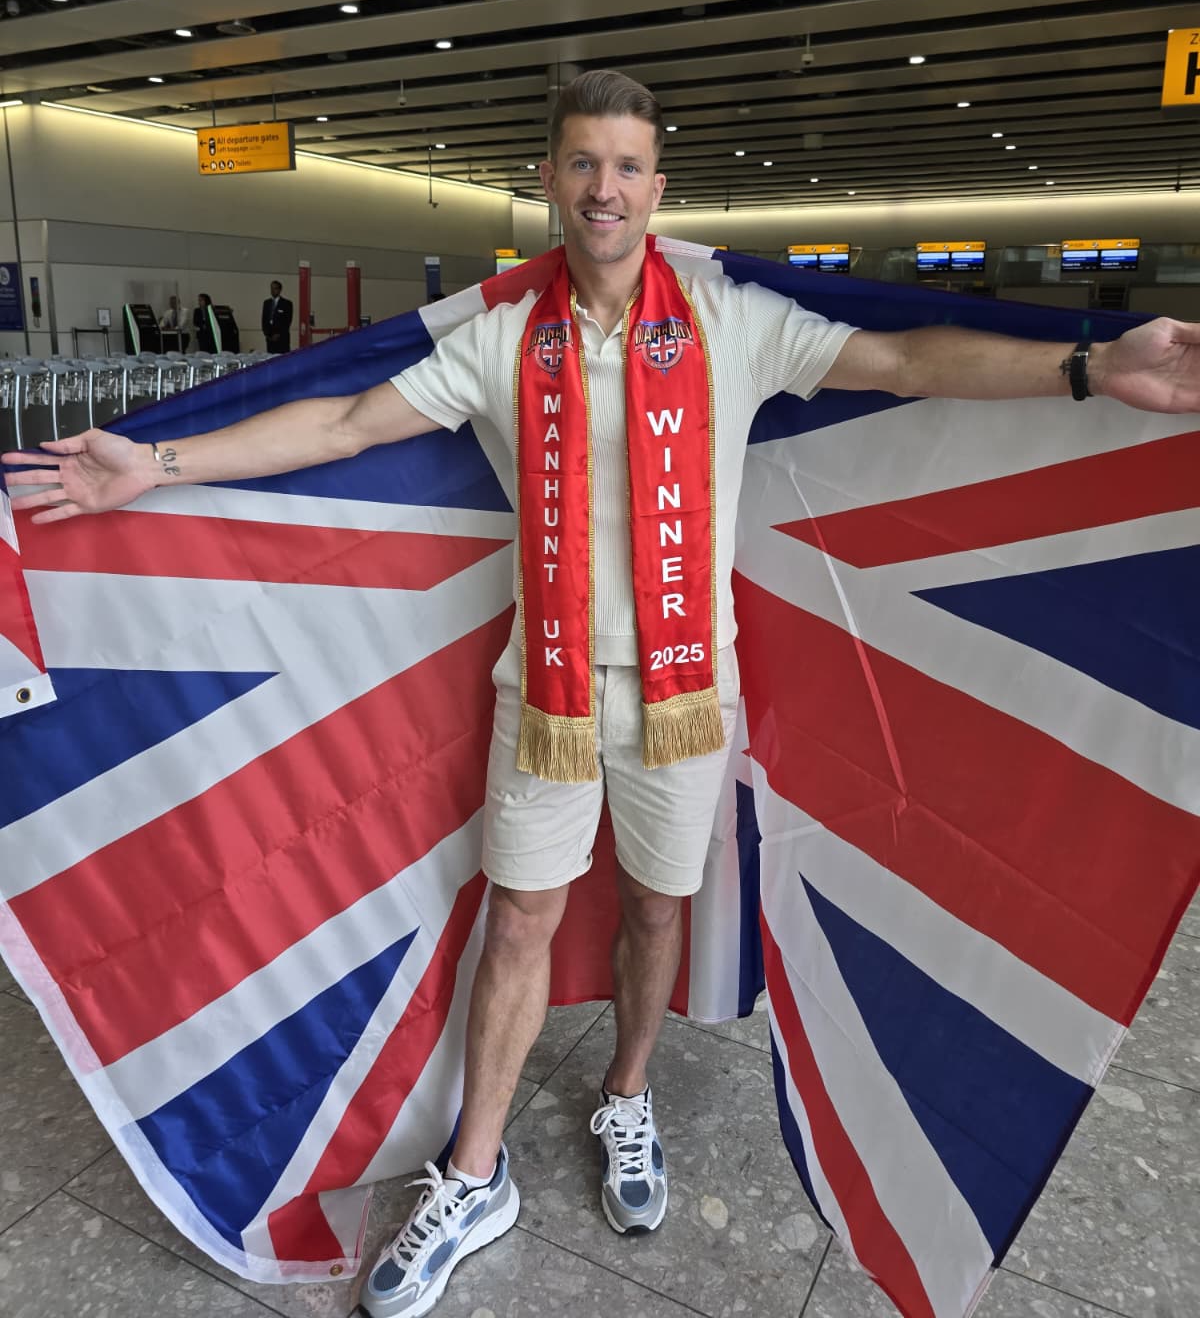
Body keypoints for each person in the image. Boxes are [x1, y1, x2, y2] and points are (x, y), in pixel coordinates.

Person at [4, 70, 1200, 1318]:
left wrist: (1091, 366)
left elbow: (905, 359)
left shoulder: (732, 321)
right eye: (583, 163)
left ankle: (628, 1094)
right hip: (548, 696)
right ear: (549, 182)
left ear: (657, 187)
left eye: (627, 166)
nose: (605, 188)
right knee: (519, 915)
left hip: (687, 693)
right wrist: (157, 462)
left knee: (654, 905)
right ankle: (476, 1172)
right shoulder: (504, 339)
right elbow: (348, 423)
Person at [261, 280, 293, 354]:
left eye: (275, 288)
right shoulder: (266, 303)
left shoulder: (287, 303)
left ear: (279, 290)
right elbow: (263, 320)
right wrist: (267, 334)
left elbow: (287, 321)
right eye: (271, 288)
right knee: (271, 358)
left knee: (282, 358)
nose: (272, 290)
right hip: (270, 339)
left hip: (282, 339)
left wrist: (278, 334)